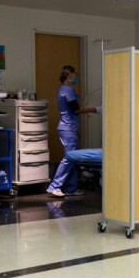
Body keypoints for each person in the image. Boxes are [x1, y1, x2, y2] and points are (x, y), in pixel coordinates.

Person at [46, 65, 100, 197]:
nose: (76, 77)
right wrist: (96, 109)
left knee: (73, 158)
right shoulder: (67, 90)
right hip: (68, 129)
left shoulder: (64, 90)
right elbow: (76, 109)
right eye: (74, 75)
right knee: (69, 158)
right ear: (69, 75)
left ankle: (71, 188)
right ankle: (54, 186)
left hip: (70, 128)